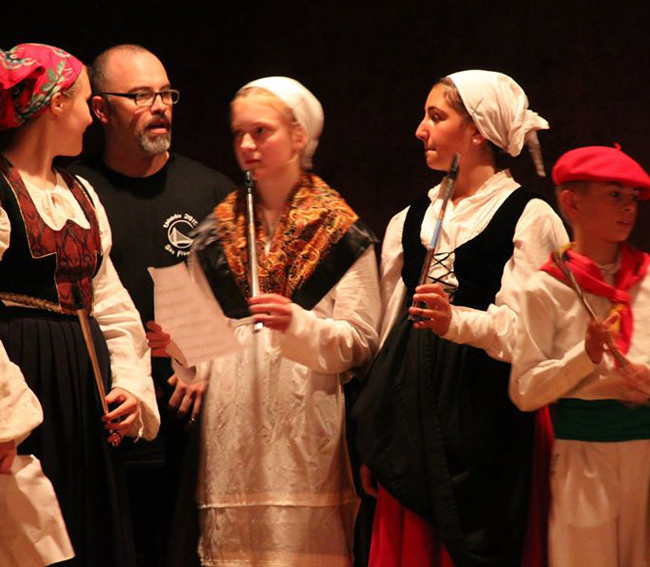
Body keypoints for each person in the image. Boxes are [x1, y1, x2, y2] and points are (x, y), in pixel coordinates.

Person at [0, 43, 159, 566]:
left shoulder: (78, 192)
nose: (89, 115)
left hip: (85, 382)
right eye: (83, 100)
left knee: (90, 530)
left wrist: (127, 382)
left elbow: (111, 300)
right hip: (25, 380)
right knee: (32, 533)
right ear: (56, 103)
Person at [148, 76, 381, 566]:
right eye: (238, 134)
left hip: (304, 431)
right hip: (232, 438)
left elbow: (361, 342)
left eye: (261, 131)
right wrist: (180, 351)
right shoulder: (216, 233)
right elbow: (203, 350)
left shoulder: (339, 230)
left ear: (299, 136)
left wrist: (299, 324)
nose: (247, 146)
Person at [353, 70, 568, 566]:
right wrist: (375, 435)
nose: (420, 130)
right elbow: (391, 337)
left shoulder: (530, 217)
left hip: (490, 422)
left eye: (436, 116)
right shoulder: (408, 221)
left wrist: (458, 323)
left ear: (478, 132)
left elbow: (532, 338)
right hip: (413, 420)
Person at [70, 44, 234, 567]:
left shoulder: (212, 191)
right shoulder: (73, 192)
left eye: (165, 93)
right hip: (104, 414)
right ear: (100, 110)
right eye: (141, 95)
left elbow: (246, 305)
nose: (160, 105)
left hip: (192, 424)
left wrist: (204, 353)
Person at [510, 145, 650, 566]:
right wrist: (584, 356)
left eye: (632, 199)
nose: (628, 209)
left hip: (648, 453)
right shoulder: (546, 288)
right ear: (572, 202)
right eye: (614, 195)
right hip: (584, 455)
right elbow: (525, 391)